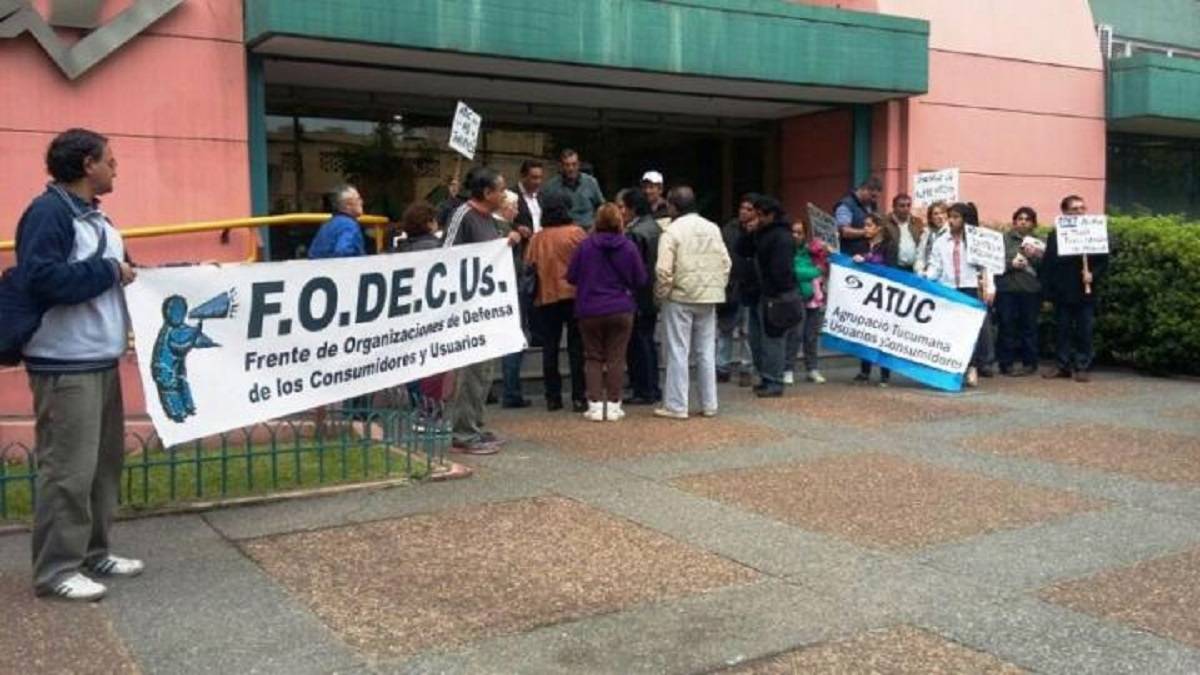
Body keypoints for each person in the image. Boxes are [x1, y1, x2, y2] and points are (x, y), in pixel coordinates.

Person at [17, 129, 141, 601]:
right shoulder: (48, 213)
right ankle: (55, 570)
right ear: (88, 164)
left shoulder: (98, 219)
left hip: (100, 358)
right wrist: (109, 272)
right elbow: (41, 278)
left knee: (102, 466)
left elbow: (126, 274)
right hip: (65, 364)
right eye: (110, 160)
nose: (116, 168)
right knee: (68, 470)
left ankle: (93, 553)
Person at [442, 168, 522, 453]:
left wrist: (506, 242)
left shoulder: (490, 220)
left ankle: (474, 424)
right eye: (500, 189)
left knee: (483, 371)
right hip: (468, 309)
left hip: (488, 309)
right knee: (469, 372)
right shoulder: (463, 215)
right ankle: (463, 432)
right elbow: (447, 256)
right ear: (487, 193)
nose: (504, 194)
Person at [654, 186, 731, 419]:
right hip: (709, 296)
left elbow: (663, 269)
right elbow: (726, 262)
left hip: (680, 296)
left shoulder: (671, 231)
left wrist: (662, 294)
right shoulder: (712, 228)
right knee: (706, 351)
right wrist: (717, 286)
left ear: (673, 206)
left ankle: (677, 405)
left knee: (678, 350)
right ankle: (710, 404)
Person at [567, 203, 648, 421]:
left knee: (592, 357)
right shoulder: (628, 246)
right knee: (616, 357)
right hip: (620, 307)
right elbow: (640, 278)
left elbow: (572, 275)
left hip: (589, 307)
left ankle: (594, 405)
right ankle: (613, 405)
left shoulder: (585, 246)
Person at [525, 190, 588, 412]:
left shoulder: (537, 238)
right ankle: (579, 396)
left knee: (549, 348)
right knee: (576, 348)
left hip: (546, 296)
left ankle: (553, 397)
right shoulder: (577, 234)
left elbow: (529, 266)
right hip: (574, 295)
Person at [924, 202, 995, 387]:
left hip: (970, 287)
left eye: (956, 217)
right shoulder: (941, 241)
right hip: (948, 288)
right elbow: (935, 265)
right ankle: (954, 366)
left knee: (971, 330)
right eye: (950, 217)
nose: (951, 221)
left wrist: (990, 287)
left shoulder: (976, 240)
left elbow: (988, 266)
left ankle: (972, 365)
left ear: (965, 220)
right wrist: (926, 276)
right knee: (952, 330)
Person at [1041, 195, 1108, 382]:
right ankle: (1062, 365)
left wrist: (1093, 274)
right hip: (1062, 291)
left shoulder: (1094, 232)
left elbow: (1103, 261)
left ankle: (1082, 365)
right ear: (1064, 212)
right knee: (1062, 330)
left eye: (1081, 208)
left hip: (1085, 291)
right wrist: (1047, 293)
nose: (1079, 212)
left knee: (1084, 330)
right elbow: (1048, 264)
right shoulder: (1055, 235)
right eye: (1074, 209)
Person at [738, 195, 797, 398]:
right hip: (758, 293)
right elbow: (742, 250)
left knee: (773, 339)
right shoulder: (761, 233)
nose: (758, 219)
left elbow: (781, 270)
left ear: (771, 215)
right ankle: (765, 376)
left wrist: (773, 290)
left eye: (761, 215)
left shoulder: (781, 236)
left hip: (774, 295)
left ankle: (774, 380)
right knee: (757, 340)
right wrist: (749, 232)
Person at [617, 188, 663, 405]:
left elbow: (631, 268)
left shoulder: (635, 233)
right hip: (651, 293)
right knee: (647, 342)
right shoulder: (654, 227)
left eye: (622, 207)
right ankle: (651, 386)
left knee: (638, 343)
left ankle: (643, 389)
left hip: (638, 295)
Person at [493, 189, 532, 408]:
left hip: (506, 289)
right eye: (515, 207)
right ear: (505, 207)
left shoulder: (502, 228)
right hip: (510, 289)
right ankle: (511, 390)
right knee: (515, 338)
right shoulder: (502, 231)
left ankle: (503, 390)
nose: (517, 211)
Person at [996, 206, 1044, 377]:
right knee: (1006, 327)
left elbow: (1045, 267)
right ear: (1014, 221)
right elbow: (994, 262)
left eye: (1027, 219)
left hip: (1030, 290)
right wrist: (1011, 264)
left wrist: (1034, 256)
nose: (1023, 222)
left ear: (1033, 223)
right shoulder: (1003, 239)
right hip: (1007, 289)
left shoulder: (1039, 241)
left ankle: (1030, 363)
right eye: (1020, 218)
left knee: (1029, 328)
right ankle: (1005, 363)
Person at [852, 214, 899, 386]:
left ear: (879, 227)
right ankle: (865, 371)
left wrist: (867, 260)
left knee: (883, 333)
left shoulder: (889, 246)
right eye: (864, 225)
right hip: (864, 295)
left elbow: (891, 270)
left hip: (882, 294)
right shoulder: (862, 244)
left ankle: (885, 374)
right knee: (865, 331)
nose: (865, 228)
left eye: (869, 225)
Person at [717, 195, 759, 387]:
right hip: (731, 286)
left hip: (750, 286)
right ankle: (722, 367)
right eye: (742, 207)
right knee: (725, 329)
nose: (744, 212)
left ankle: (746, 368)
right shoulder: (729, 230)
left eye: (749, 209)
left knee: (746, 332)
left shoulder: (760, 230)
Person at [786, 218, 831, 385]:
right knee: (794, 334)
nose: (796, 235)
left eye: (799, 232)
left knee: (811, 335)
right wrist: (814, 271)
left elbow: (824, 267)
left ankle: (812, 368)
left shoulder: (812, 250)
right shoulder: (787, 251)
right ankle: (788, 368)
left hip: (814, 297)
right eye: (793, 232)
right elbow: (795, 271)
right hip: (796, 295)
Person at [544, 149, 604, 228]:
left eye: (574, 164)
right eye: (567, 165)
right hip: (563, 231)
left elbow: (602, 207)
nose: (571, 169)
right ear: (561, 166)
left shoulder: (591, 182)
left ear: (579, 165)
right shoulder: (551, 186)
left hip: (587, 230)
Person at [308, 185, 365, 258]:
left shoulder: (327, 225)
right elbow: (343, 251)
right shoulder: (349, 225)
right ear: (348, 205)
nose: (361, 202)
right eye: (358, 199)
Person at [833, 177, 881, 257]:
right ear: (864, 189)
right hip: (847, 257)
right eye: (873, 196)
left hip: (865, 256)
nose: (874, 200)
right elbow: (845, 232)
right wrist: (866, 232)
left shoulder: (870, 205)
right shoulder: (846, 206)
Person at [886, 193, 925, 272]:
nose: (906, 208)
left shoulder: (917, 222)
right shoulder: (885, 223)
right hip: (894, 268)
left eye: (908, 205)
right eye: (902, 206)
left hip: (914, 269)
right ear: (894, 207)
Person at [914, 200, 948, 276]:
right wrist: (919, 270)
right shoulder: (927, 233)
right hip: (927, 275)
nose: (940, 217)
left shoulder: (950, 233)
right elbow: (920, 254)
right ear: (931, 218)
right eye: (936, 214)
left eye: (943, 213)